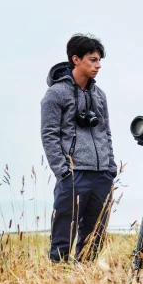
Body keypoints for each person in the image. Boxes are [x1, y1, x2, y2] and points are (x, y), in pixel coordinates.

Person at [41, 34, 117, 262]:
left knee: (94, 239)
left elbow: (106, 133)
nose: (98, 65)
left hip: (102, 175)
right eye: (93, 60)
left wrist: (110, 168)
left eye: (99, 60)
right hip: (73, 175)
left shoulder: (100, 96)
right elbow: (49, 135)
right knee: (62, 239)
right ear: (76, 59)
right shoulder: (55, 94)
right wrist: (63, 172)